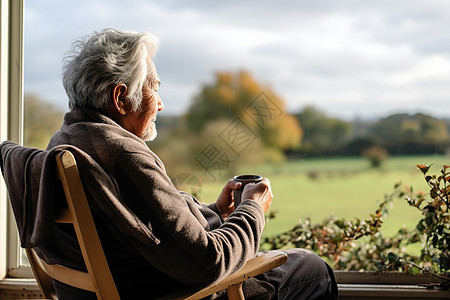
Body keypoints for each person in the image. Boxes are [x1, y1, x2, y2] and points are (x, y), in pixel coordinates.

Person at [42, 28, 338, 299]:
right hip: (169, 292)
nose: (160, 104)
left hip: (124, 284)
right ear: (121, 98)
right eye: (154, 88)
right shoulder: (123, 154)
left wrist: (216, 212)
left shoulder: (64, 143)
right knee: (311, 269)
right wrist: (252, 210)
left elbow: (148, 226)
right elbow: (209, 263)